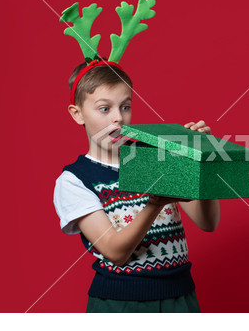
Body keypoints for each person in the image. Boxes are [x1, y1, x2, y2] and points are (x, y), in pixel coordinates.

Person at [53, 60, 220, 312]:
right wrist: (155, 203)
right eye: (104, 109)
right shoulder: (75, 180)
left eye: (125, 106)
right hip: (121, 305)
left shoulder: (154, 155)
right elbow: (115, 251)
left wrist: (200, 158)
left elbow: (208, 223)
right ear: (78, 114)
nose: (119, 117)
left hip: (181, 298)